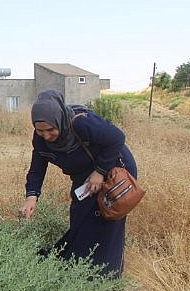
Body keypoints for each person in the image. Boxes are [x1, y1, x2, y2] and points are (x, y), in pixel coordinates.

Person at [19, 89, 138, 278]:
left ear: (59, 119)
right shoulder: (40, 140)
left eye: (51, 130)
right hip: (83, 175)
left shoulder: (81, 123)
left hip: (114, 169)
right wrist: (31, 197)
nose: (46, 136)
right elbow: (37, 167)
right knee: (80, 216)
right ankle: (79, 267)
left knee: (108, 218)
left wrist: (99, 172)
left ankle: (106, 275)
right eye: (40, 130)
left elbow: (117, 138)